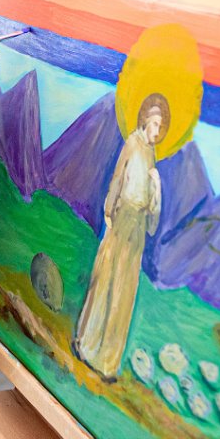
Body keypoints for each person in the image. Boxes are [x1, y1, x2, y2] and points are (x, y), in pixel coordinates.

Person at [73, 93, 170, 380]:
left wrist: (156, 189)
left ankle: (107, 362)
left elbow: (152, 210)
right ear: (145, 120)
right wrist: (109, 208)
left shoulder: (151, 153)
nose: (157, 131)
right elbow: (118, 177)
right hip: (122, 218)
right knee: (106, 280)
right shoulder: (133, 144)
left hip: (137, 228)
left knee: (124, 290)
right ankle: (87, 345)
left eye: (160, 126)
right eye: (154, 124)